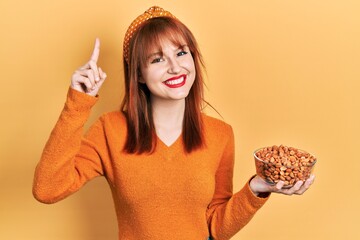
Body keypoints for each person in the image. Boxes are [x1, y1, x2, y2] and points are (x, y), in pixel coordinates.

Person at [33, 6, 315, 240]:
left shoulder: (220, 135)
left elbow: (216, 228)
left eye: (181, 53)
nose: (174, 67)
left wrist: (258, 187)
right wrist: (79, 101)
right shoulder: (110, 129)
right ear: (139, 75)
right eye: (157, 59)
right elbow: (48, 189)